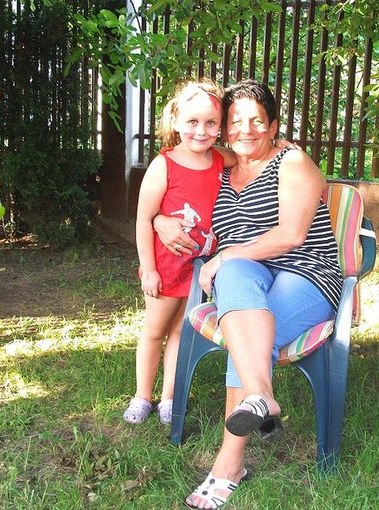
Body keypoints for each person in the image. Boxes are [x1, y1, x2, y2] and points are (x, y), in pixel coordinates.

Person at [154, 79, 342, 509]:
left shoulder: (292, 162)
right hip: (247, 277)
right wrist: (159, 221)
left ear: (274, 126)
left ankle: (229, 464)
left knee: (246, 328)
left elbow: (292, 235)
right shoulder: (220, 168)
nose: (246, 129)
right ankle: (262, 396)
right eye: (236, 120)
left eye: (258, 121)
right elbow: (174, 187)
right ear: (225, 129)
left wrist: (225, 256)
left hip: (306, 274)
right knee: (238, 283)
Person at [124, 79, 237, 426]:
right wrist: (149, 268)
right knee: (155, 330)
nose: (201, 131)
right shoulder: (164, 165)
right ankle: (142, 396)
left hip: (198, 266)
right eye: (192, 121)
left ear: (220, 126)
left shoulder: (219, 159)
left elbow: (246, 155)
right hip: (167, 265)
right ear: (175, 120)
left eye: (211, 123)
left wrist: (278, 144)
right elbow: (144, 219)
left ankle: (169, 397)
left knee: (180, 332)